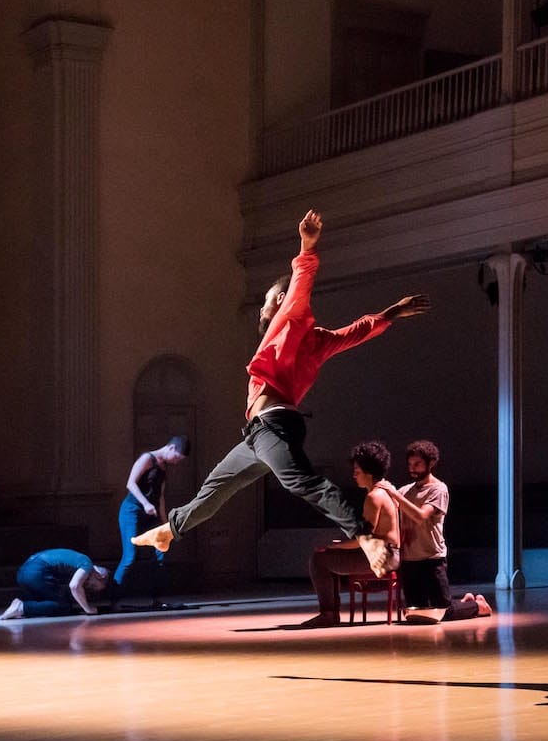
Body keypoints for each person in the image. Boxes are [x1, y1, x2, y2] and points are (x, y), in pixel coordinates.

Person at [132, 210, 429, 576]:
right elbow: (356, 331)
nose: (263, 307)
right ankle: (170, 530)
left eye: (269, 299)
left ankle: (365, 536)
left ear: (283, 300)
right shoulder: (317, 341)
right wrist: (391, 313)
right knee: (217, 487)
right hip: (257, 436)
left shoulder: (291, 317)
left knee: (303, 482)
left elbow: (302, 281)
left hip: (274, 426)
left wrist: (306, 245)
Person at [377, 439, 491, 624]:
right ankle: (466, 602)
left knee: (444, 612)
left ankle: (478, 606)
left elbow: (422, 516)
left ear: (431, 463)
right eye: (410, 464)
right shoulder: (405, 490)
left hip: (432, 558)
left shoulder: (438, 489)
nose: (412, 468)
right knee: (417, 612)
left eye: (417, 464)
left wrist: (395, 495)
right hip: (409, 560)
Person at [301, 442, 402, 627]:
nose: (354, 475)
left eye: (357, 471)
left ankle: (328, 613)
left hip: (382, 557)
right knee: (328, 555)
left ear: (368, 473)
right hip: (388, 553)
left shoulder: (374, 497)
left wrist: (335, 546)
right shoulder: (386, 490)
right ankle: (330, 612)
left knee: (319, 559)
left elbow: (364, 540)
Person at [114, 436, 191, 606]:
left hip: (151, 512)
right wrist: (145, 503)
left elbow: (160, 497)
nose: (176, 462)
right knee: (130, 557)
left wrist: (165, 524)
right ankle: (114, 599)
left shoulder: (164, 468)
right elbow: (130, 484)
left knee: (160, 554)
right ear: (171, 448)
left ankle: (156, 599)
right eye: (177, 457)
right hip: (132, 511)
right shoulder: (147, 459)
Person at [0, 549, 111, 619]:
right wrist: (88, 610)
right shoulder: (87, 564)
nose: (88, 586)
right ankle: (21, 607)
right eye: (93, 585)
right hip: (37, 572)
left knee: (44, 604)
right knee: (63, 606)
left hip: (23, 572)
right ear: (99, 576)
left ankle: (22, 607)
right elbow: (74, 586)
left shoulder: (77, 564)